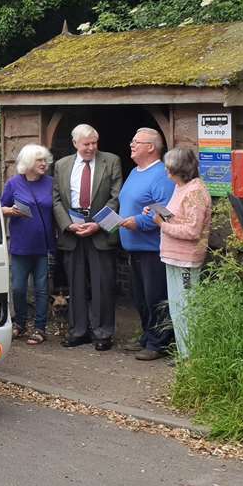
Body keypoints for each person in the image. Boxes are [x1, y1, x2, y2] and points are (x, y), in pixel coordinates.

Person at [53, 124, 122, 351]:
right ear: (75, 144)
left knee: (102, 283)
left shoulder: (111, 161)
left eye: (94, 143)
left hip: (99, 231)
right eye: (86, 144)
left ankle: (102, 333)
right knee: (75, 283)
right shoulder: (62, 165)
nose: (91, 148)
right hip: (73, 232)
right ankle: (78, 331)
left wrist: (98, 225)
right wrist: (68, 224)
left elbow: (116, 197)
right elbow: (56, 200)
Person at [117, 127, 175, 360]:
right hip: (133, 248)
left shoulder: (162, 175)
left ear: (151, 147)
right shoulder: (135, 171)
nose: (131, 145)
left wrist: (139, 222)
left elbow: (166, 211)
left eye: (136, 142)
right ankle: (147, 336)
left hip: (152, 249)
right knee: (140, 298)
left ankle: (159, 344)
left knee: (155, 297)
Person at [153, 146, 211, 359]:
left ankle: (191, 357)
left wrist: (162, 224)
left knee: (187, 309)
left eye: (170, 169)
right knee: (177, 309)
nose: (167, 173)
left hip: (186, 259)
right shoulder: (181, 187)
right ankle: (184, 354)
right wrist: (159, 212)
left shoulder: (195, 191)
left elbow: (193, 231)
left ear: (182, 170)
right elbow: (179, 218)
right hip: (173, 255)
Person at [0, 144, 57, 345]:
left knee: (41, 288)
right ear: (28, 163)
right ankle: (20, 324)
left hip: (44, 246)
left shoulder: (51, 183)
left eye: (45, 160)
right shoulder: (14, 183)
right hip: (21, 245)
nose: (44, 164)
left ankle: (40, 328)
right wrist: (10, 211)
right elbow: (0, 208)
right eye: (39, 160)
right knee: (18, 288)